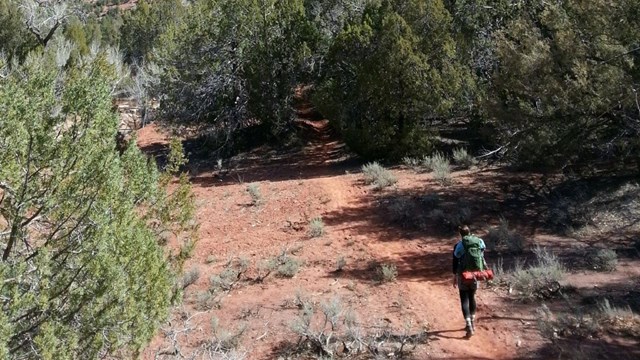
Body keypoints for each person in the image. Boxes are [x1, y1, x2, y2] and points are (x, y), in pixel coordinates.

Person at [452, 225, 486, 338]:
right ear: (470, 232)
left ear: (460, 234)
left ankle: (468, 325)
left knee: (464, 299)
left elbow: (456, 258)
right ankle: (473, 322)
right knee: (472, 297)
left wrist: (455, 276)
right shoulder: (479, 241)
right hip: (476, 275)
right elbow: (482, 251)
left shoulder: (459, 245)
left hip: (464, 275)